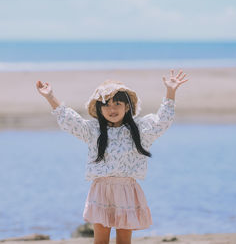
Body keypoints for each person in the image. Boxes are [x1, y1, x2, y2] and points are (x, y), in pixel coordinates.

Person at [36, 69, 188, 244]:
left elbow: (163, 121)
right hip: (101, 191)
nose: (112, 108)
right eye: (106, 104)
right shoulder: (93, 131)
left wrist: (170, 91)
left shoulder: (140, 130)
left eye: (117, 103)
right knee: (101, 241)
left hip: (127, 190)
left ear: (127, 106)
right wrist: (50, 97)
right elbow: (70, 121)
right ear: (99, 109)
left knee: (124, 241)